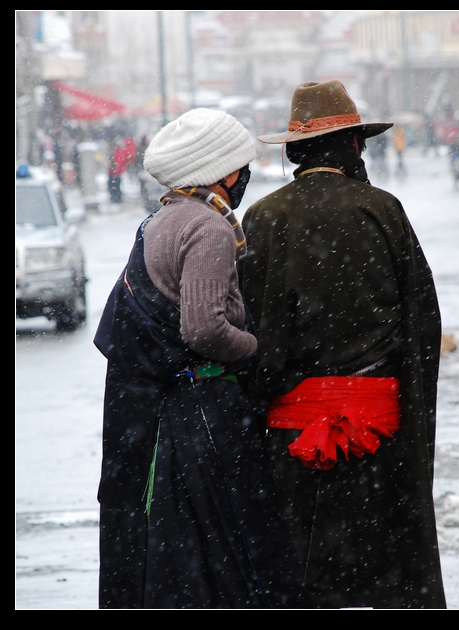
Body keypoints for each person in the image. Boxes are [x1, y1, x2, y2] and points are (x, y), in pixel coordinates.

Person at [238, 80, 447, 609]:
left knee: (305, 571)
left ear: (293, 150)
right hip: (380, 436)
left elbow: (254, 334)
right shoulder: (383, 209)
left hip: (293, 439)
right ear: (354, 145)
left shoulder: (264, 217)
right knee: (384, 565)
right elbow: (422, 324)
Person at [94, 108, 310, 609]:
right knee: (235, 546)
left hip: (163, 413)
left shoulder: (160, 219)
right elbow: (204, 327)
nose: (246, 176)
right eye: (243, 166)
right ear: (226, 172)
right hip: (205, 415)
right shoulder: (208, 228)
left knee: (174, 547)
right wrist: (257, 351)